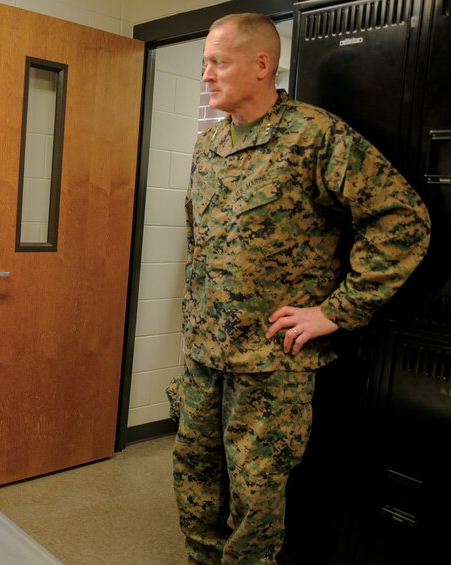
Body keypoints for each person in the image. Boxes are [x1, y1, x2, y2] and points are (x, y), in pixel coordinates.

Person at [174, 13, 431, 564]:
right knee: (194, 471)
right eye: (205, 64)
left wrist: (337, 310)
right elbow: (203, 239)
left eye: (218, 62)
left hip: (271, 359)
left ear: (261, 64)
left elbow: (402, 221)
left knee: (255, 490)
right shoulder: (211, 145)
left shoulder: (314, 137)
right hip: (205, 351)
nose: (207, 76)